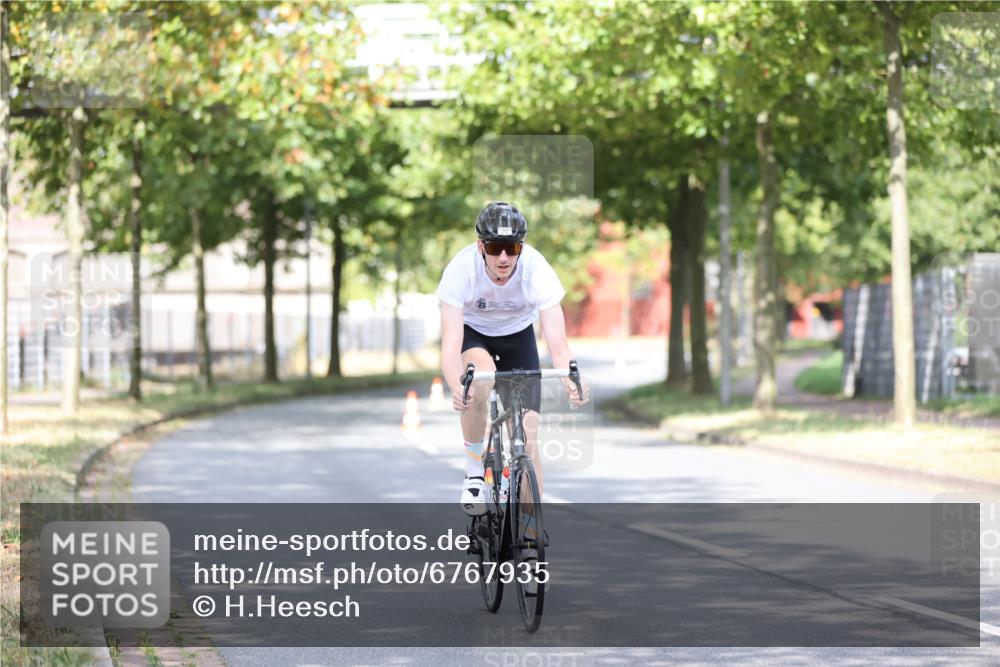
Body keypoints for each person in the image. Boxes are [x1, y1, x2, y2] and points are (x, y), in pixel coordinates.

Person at [436, 201, 590, 516]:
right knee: (480, 380)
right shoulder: (460, 270)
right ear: (481, 246)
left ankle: (530, 531)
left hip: (518, 336)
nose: (504, 257)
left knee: (528, 436)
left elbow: (558, 345)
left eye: (513, 247)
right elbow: (450, 346)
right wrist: (457, 387)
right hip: (474, 334)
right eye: (495, 248)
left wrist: (572, 381)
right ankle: (474, 471)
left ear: (522, 247)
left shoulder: (538, 270)